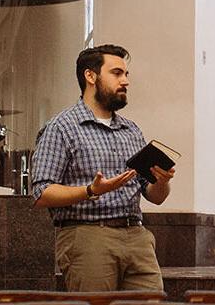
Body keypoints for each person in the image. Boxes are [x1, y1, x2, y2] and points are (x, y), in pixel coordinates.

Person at [31, 44, 175, 291]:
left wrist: (161, 182)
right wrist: (90, 190)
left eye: (126, 74)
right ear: (91, 76)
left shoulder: (131, 130)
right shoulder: (62, 127)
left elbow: (154, 196)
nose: (125, 81)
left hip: (137, 237)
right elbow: (41, 193)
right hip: (88, 237)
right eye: (117, 73)